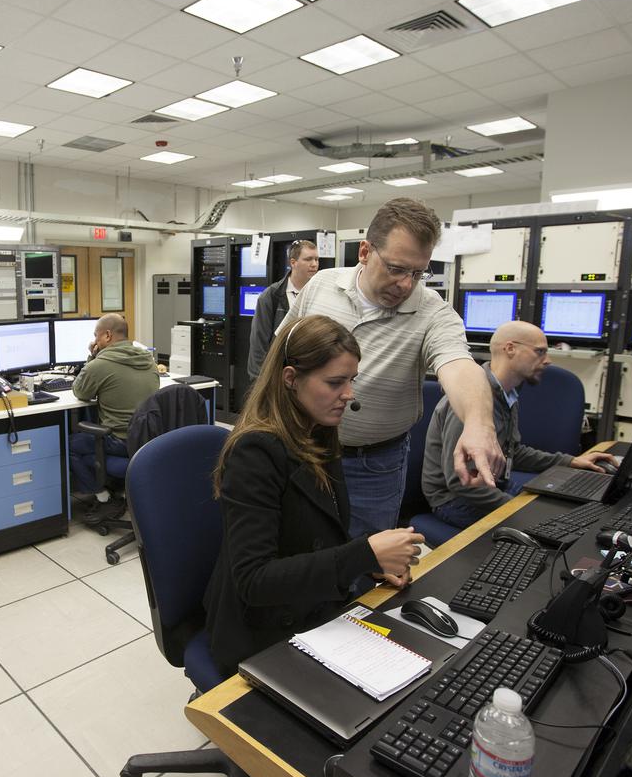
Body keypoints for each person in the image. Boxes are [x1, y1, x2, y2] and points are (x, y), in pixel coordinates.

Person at [204, 315, 427, 677]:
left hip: (310, 605)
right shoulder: (255, 451)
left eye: (351, 380)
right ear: (291, 379)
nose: (349, 394)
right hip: (262, 627)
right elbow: (254, 580)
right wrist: (362, 554)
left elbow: (317, 538)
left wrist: (369, 563)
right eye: (335, 382)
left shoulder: (318, 431)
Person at [280, 198, 506, 539]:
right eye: (397, 268)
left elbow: (459, 367)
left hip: (371, 465)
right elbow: (280, 350)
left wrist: (478, 425)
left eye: (418, 273)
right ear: (365, 251)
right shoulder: (322, 284)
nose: (406, 284)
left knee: (363, 565)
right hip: (300, 446)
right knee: (298, 549)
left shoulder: (433, 313)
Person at [422, 321, 616, 528]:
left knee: (568, 506)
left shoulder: (507, 394)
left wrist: (570, 461)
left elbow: (513, 452)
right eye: (539, 352)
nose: (547, 361)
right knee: (552, 529)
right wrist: (516, 509)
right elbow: (462, 482)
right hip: (456, 501)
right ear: (510, 349)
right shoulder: (470, 400)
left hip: (493, 487)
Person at [69, 314, 160, 519]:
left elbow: (80, 392)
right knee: (88, 443)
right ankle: (119, 489)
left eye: (96, 336)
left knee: (68, 445)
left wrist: (92, 357)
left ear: (107, 335)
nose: (95, 341)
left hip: (119, 441)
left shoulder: (100, 364)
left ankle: (103, 498)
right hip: (148, 441)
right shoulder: (148, 359)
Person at [247, 239, 321, 379]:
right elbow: (258, 342)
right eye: (308, 259)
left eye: (317, 259)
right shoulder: (271, 296)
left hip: (310, 373)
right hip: (278, 374)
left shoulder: (321, 293)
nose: (314, 264)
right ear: (293, 263)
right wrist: (259, 380)